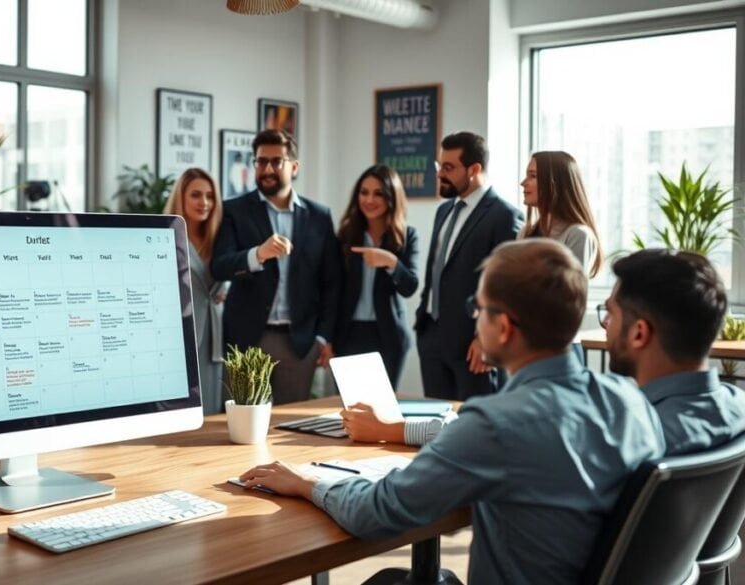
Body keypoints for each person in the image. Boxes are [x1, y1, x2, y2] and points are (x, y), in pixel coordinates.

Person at [239, 239, 665, 585]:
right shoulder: (632, 403)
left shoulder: (496, 424)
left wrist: (309, 482)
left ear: (503, 327)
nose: (474, 319)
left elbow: (376, 513)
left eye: (477, 308)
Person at [211, 129, 342, 404]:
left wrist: (323, 336)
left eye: (276, 161)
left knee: (289, 425)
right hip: (247, 338)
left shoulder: (319, 216)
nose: (267, 168)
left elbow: (332, 281)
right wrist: (257, 254)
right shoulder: (234, 210)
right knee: (240, 427)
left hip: (299, 342)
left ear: (294, 167)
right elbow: (219, 266)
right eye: (261, 161)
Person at [602, 249, 745, 455]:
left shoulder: (632, 441)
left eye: (610, 313)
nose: (606, 323)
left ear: (639, 333)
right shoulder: (739, 406)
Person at [415, 132, 523, 400]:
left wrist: (484, 339)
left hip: (474, 345)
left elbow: (505, 285)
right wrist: (423, 325)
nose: (440, 175)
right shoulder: (444, 211)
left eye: (449, 168)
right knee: (434, 426)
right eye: (440, 166)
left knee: (477, 430)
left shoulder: (504, 216)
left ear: (474, 169)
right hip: (432, 336)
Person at [333, 165, 419, 388]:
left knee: (382, 412)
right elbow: (332, 289)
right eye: (364, 192)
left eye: (378, 193)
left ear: (392, 197)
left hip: (388, 335)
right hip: (348, 333)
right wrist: (326, 338)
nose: (369, 199)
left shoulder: (407, 235)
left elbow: (410, 287)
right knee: (350, 409)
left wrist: (390, 262)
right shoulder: (345, 235)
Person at [163, 168, 228, 414]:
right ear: (181, 196)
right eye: (196, 195)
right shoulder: (167, 234)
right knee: (181, 406)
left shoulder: (220, 238)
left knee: (213, 406)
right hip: (180, 329)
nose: (205, 203)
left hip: (215, 332)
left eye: (210, 196)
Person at [519, 151, 602, 277]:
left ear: (556, 183)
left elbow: (573, 293)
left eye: (533, 176)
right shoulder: (525, 232)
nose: (523, 183)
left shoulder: (578, 235)